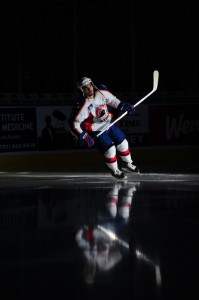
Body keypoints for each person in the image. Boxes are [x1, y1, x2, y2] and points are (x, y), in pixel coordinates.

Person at [72, 77, 139, 179]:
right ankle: (114, 170)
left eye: (90, 86)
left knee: (123, 143)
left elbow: (113, 100)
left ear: (92, 84)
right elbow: (74, 123)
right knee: (110, 150)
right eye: (85, 88)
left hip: (109, 123)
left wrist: (124, 105)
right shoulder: (81, 104)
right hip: (95, 130)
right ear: (82, 90)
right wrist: (84, 135)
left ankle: (128, 163)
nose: (89, 89)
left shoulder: (101, 91)